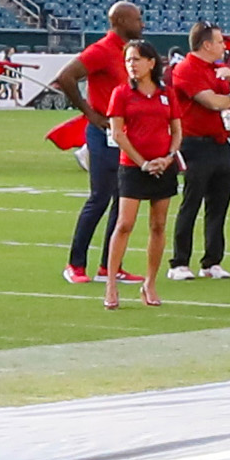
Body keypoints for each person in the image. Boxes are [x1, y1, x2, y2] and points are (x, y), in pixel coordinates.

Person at [91, 39, 188, 308]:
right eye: (128, 60)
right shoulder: (121, 93)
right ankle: (111, 284)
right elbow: (118, 133)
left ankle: (150, 283)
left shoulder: (166, 94)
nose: (131, 65)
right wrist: (143, 162)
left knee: (158, 225)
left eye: (136, 60)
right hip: (133, 167)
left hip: (163, 166)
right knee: (124, 224)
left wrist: (168, 157)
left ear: (151, 62)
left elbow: (177, 129)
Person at [63, 4, 148, 286]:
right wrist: (89, 113)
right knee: (100, 197)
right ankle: (75, 264)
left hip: (125, 134)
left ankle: (110, 265)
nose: (142, 23)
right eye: (137, 18)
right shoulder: (102, 49)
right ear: (121, 21)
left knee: (122, 200)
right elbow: (66, 77)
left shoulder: (128, 52)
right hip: (104, 134)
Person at [165, 23, 230, 283]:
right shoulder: (187, 69)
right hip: (195, 143)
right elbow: (210, 101)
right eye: (220, 42)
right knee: (191, 202)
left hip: (221, 142)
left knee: (219, 205)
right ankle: (179, 261)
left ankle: (212, 261)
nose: (224, 46)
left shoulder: (218, 70)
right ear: (206, 44)